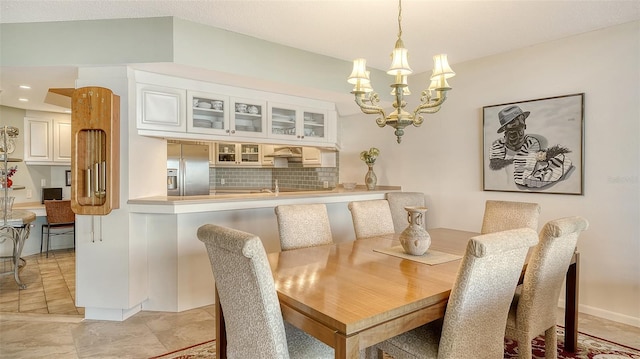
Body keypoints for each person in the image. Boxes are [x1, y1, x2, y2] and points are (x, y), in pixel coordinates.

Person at [489, 105, 572, 188]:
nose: (515, 133)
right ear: (505, 130)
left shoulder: (532, 145)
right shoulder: (497, 149)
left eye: (519, 127)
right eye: (511, 129)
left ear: (524, 126)